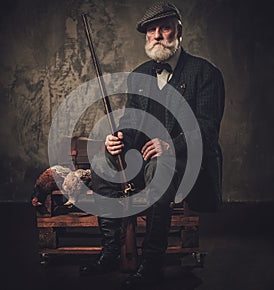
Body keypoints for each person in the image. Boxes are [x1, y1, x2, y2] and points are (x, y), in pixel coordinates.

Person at [79, 1, 225, 289]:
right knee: (103, 160)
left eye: (165, 28)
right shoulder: (140, 74)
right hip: (145, 161)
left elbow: (207, 132)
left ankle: (152, 263)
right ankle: (110, 252)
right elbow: (133, 126)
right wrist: (118, 139)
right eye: (151, 30)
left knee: (160, 166)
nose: (157, 35)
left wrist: (170, 144)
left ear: (178, 31)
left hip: (188, 164)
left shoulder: (205, 73)